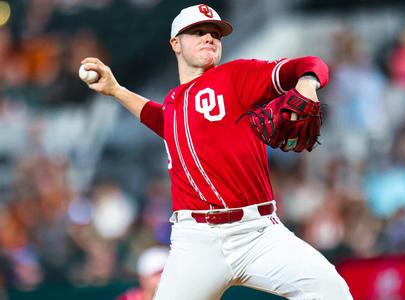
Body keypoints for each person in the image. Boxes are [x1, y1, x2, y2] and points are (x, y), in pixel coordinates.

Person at [81, 4, 352, 300]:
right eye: (198, 32)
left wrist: (307, 83)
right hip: (196, 242)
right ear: (175, 43)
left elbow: (311, 63)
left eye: (215, 34)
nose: (209, 38)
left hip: (257, 233)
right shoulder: (174, 101)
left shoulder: (237, 75)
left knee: (331, 290)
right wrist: (117, 90)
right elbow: (165, 122)